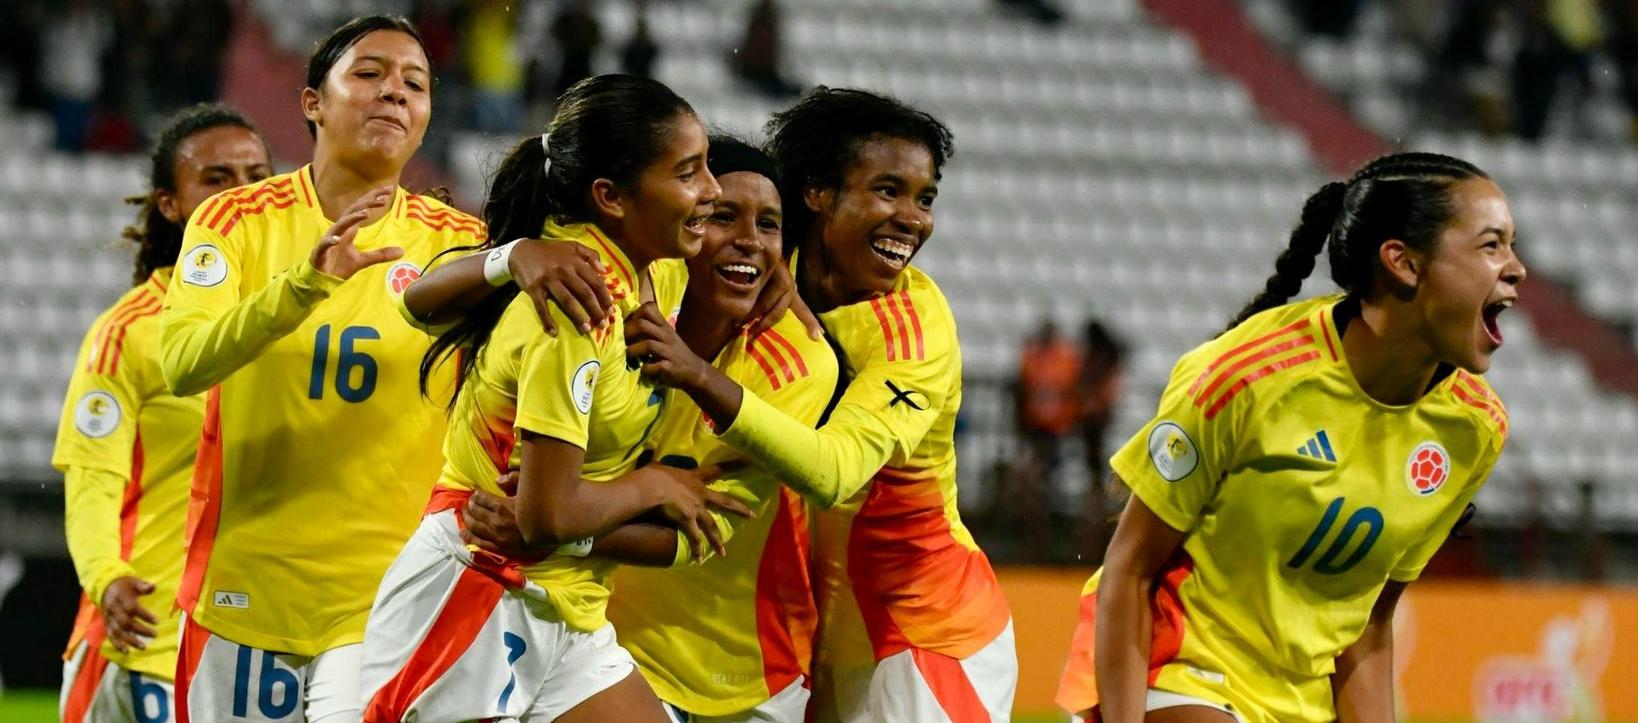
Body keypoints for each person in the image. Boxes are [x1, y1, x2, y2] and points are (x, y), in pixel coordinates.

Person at [1055, 152, 1525, 722]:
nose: (1517, 268)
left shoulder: (1474, 429)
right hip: (1173, 663)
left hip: (1296, 701)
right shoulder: (1247, 376)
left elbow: (1369, 622)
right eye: (1491, 245)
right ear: (1403, 263)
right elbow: (1130, 569)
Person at [627, 87, 1016, 722]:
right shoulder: (761, 261)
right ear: (817, 193)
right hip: (824, 635)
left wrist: (699, 376)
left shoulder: (915, 331)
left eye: (924, 199)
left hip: (925, 633)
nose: (913, 219)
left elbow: (834, 474)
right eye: (888, 190)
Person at [356, 74, 736, 723]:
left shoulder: (651, 262)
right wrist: (654, 486)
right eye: (689, 173)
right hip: (476, 591)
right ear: (611, 197)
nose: (713, 192)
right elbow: (545, 514)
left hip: (564, 603)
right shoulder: (575, 303)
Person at [157, 16, 485, 721]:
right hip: (249, 586)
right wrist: (303, 284)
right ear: (313, 103)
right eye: (369, 73)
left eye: (415, 83)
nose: (395, 92)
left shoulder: (462, 244)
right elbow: (182, 363)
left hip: (393, 594)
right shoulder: (235, 220)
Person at [453, 135, 838, 723]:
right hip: (592, 626)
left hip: (736, 671)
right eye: (722, 217)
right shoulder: (638, 288)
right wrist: (514, 252)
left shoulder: (799, 362)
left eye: (769, 226)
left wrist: (551, 529)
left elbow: (699, 533)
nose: (748, 242)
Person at [54, 104, 271, 723]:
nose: (243, 194)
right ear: (170, 204)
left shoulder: (301, 314)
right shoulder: (131, 333)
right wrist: (106, 578)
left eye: (258, 175)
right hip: (143, 641)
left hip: (250, 646)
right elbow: (93, 484)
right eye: (217, 177)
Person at [1076, 319, 1125, 563]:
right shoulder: (1108, 362)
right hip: (1095, 425)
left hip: (1093, 426)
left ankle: (1091, 545)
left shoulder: (1098, 365)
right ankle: (1094, 545)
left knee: (1095, 488)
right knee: (1096, 487)